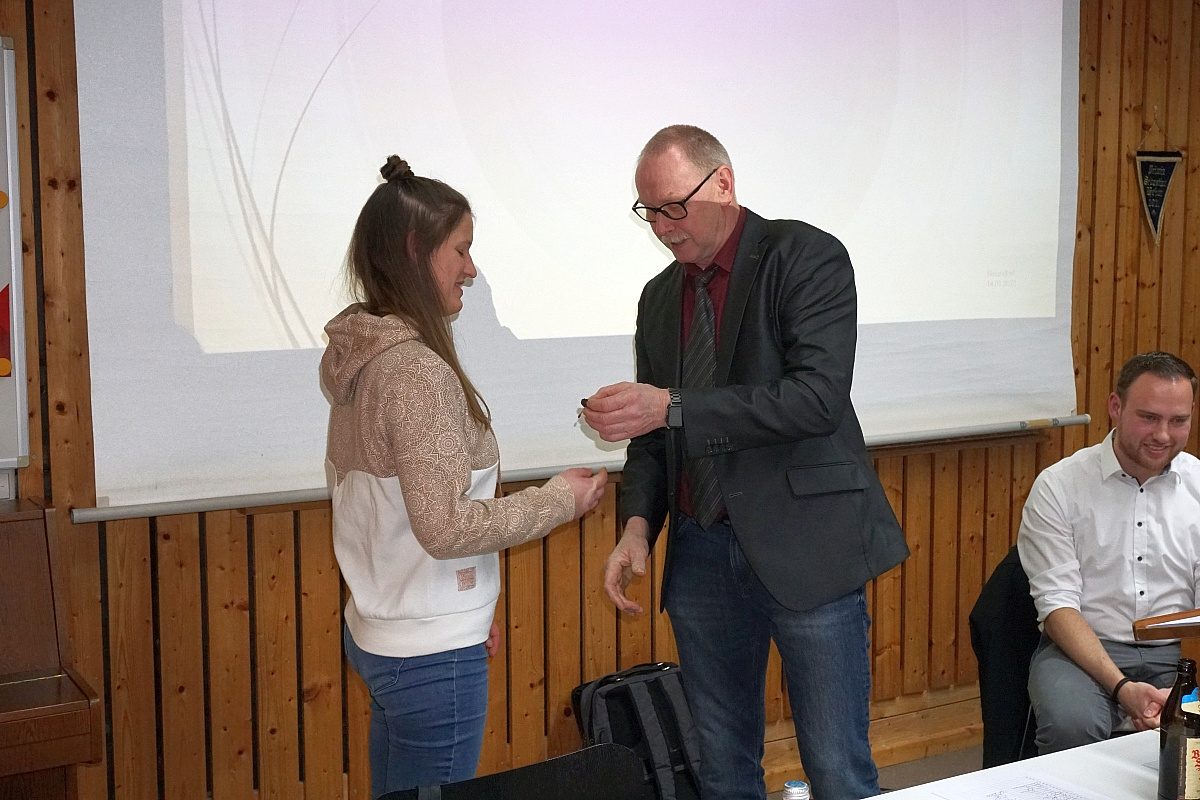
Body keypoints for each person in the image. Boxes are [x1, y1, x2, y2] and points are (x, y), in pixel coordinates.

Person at [582, 125, 909, 800]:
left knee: (837, 768)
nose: (662, 228)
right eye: (649, 212)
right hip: (701, 552)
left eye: (675, 206)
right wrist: (637, 528)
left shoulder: (805, 256)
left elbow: (815, 399)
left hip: (806, 546)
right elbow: (654, 436)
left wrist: (671, 405)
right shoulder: (659, 297)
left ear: (723, 183)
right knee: (723, 771)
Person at [321, 156, 607, 797]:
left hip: (394, 636)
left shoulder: (367, 360)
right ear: (415, 250)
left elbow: (404, 514)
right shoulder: (414, 370)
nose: (472, 270)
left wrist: (469, 609)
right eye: (462, 250)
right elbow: (446, 525)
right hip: (427, 652)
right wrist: (560, 499)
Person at [1018, 351, 1200, 754]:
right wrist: (1121, 688)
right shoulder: (1059, 487)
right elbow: (1058, 606)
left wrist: (1184, 688)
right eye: (1148, 417)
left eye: (1178, 421)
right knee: (1072, 725)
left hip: (1184, 650)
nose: (1163, 435)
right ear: (1115, 407)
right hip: (1084, 649)